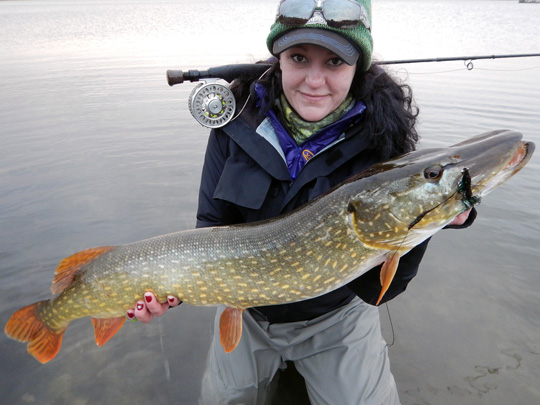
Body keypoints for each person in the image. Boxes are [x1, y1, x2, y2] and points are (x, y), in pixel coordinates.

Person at [127, 0, 474, 403]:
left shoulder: (385, 139)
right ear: (278, 59)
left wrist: (428, 220)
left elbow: (378, 291)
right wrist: (173, 287)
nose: (313, 80)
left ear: (357, 67)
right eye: (298, 57)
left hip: (338, 316)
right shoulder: (234, 123)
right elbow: (211, 228)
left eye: (334, 63)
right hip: (248, 315)